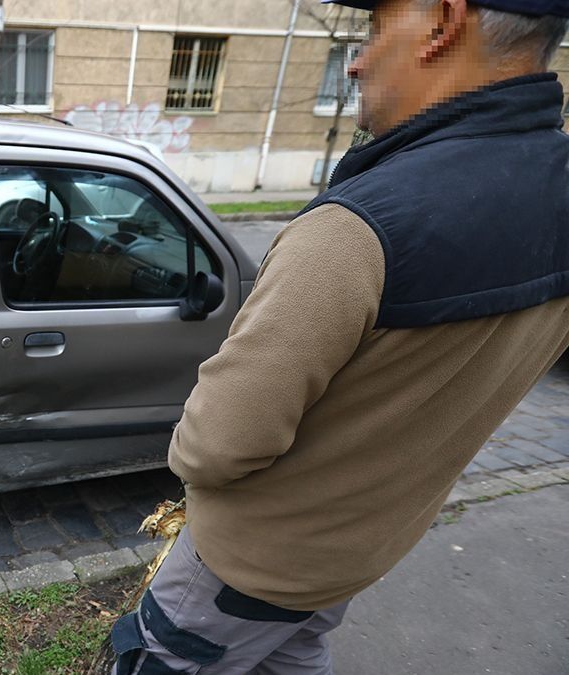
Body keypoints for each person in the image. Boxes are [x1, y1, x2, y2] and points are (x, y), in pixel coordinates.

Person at [110, 1, 569, 673]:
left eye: (378, 27)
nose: (355, 59)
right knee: (295, 655)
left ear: (444, 22)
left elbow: (216, 446)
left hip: (247, 567)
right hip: (360, 552)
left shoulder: (354, 231)